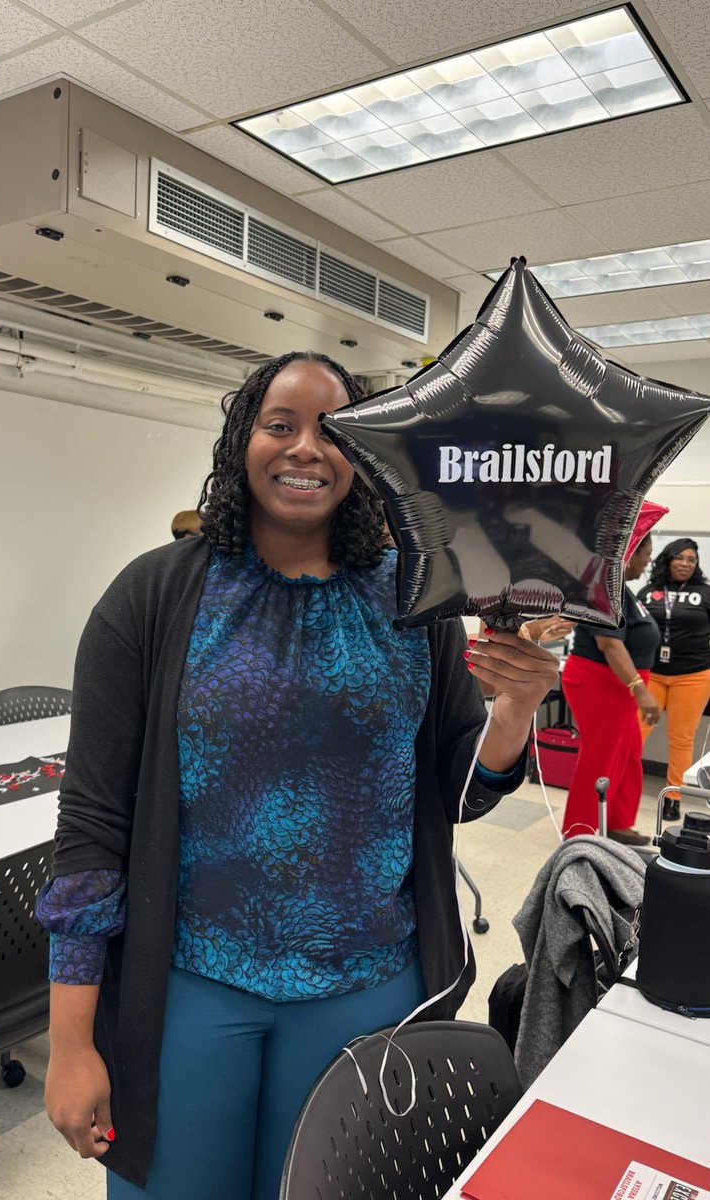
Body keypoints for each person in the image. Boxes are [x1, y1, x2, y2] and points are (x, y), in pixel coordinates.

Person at [34, 350, 558, 1200]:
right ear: (243, 440)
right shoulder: (154, 598)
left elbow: (458, 793)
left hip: (368, 981)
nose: (305, 447)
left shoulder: (415, 601)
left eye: (332, 429)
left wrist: (512, 714)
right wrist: (70, 1041)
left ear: (365, 455)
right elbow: (93, 827)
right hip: (192, 983)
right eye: (280, 424)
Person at [560, 533, 660, 842]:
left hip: (620, 685)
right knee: (600, 757)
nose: (649, 560)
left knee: (628, 755)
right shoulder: (600, 587)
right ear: (629, 553)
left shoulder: (623, 592)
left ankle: (615, 822)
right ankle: (580, 831)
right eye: (647, 552)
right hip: (601, 681)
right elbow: (610, 645)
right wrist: (640, 690)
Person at [638, 537, 710, 821]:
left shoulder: (704, 593)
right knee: (635, 732)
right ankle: (618, 786)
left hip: (692, 675)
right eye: (680, 557)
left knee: (681, 739)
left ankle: (673, 799)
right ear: (668, 560)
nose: (685, 563)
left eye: (691, 559)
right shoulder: (648, 591)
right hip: (652, 674)